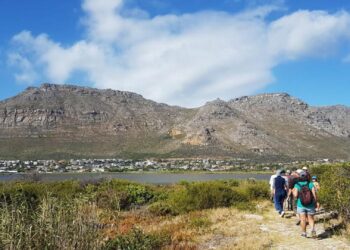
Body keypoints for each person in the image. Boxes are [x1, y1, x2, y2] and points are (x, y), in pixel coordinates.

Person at [293, 171, 317, 238]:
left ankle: (304, 233)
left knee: (302, 219)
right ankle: (312, 230)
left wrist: (293, 191)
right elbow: (314, 195)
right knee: (311, 218)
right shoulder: (310, 184)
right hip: (310, 204)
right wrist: (316, 203)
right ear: (307, 177)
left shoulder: (297, 184)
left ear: (300, 177)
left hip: (301, 205)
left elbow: (295, 195)